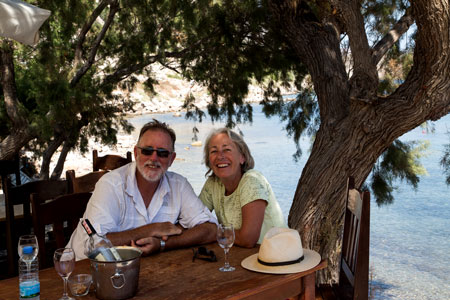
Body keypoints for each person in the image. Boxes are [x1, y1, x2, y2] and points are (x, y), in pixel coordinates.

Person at [67, 119, 217, 260]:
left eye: (162, 153)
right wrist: (152, 229)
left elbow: (211, 229)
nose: (154, 158)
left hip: (141, 269)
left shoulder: (178, 185)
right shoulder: (111, 185)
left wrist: (163, 244)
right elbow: (95, 244)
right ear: (136, 153)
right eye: (147, 151)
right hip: (81, 269)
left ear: (171, 159)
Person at [199, 128, 286, 248]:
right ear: (209, 160)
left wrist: (213, 231)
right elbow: (194, 219)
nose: (220, 156)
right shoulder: (213, 183)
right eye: (214, 151)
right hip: (243, 257)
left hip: (276, 257)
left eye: (227, 150)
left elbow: (247, 239)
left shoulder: (252, 182)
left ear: (242, 157)